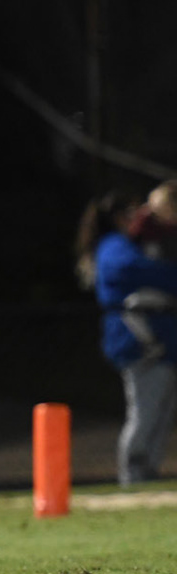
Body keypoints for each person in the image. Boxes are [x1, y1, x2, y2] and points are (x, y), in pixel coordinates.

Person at [79, 187, 177, 485]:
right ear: (119, 217)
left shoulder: (137, 243)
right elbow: (132, 270)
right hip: (140, 342)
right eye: (133, 212)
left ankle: (147, 471)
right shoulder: (114, 245)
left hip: (160, 342)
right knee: (145, 411)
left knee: (161, 411)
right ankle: (132, 474)